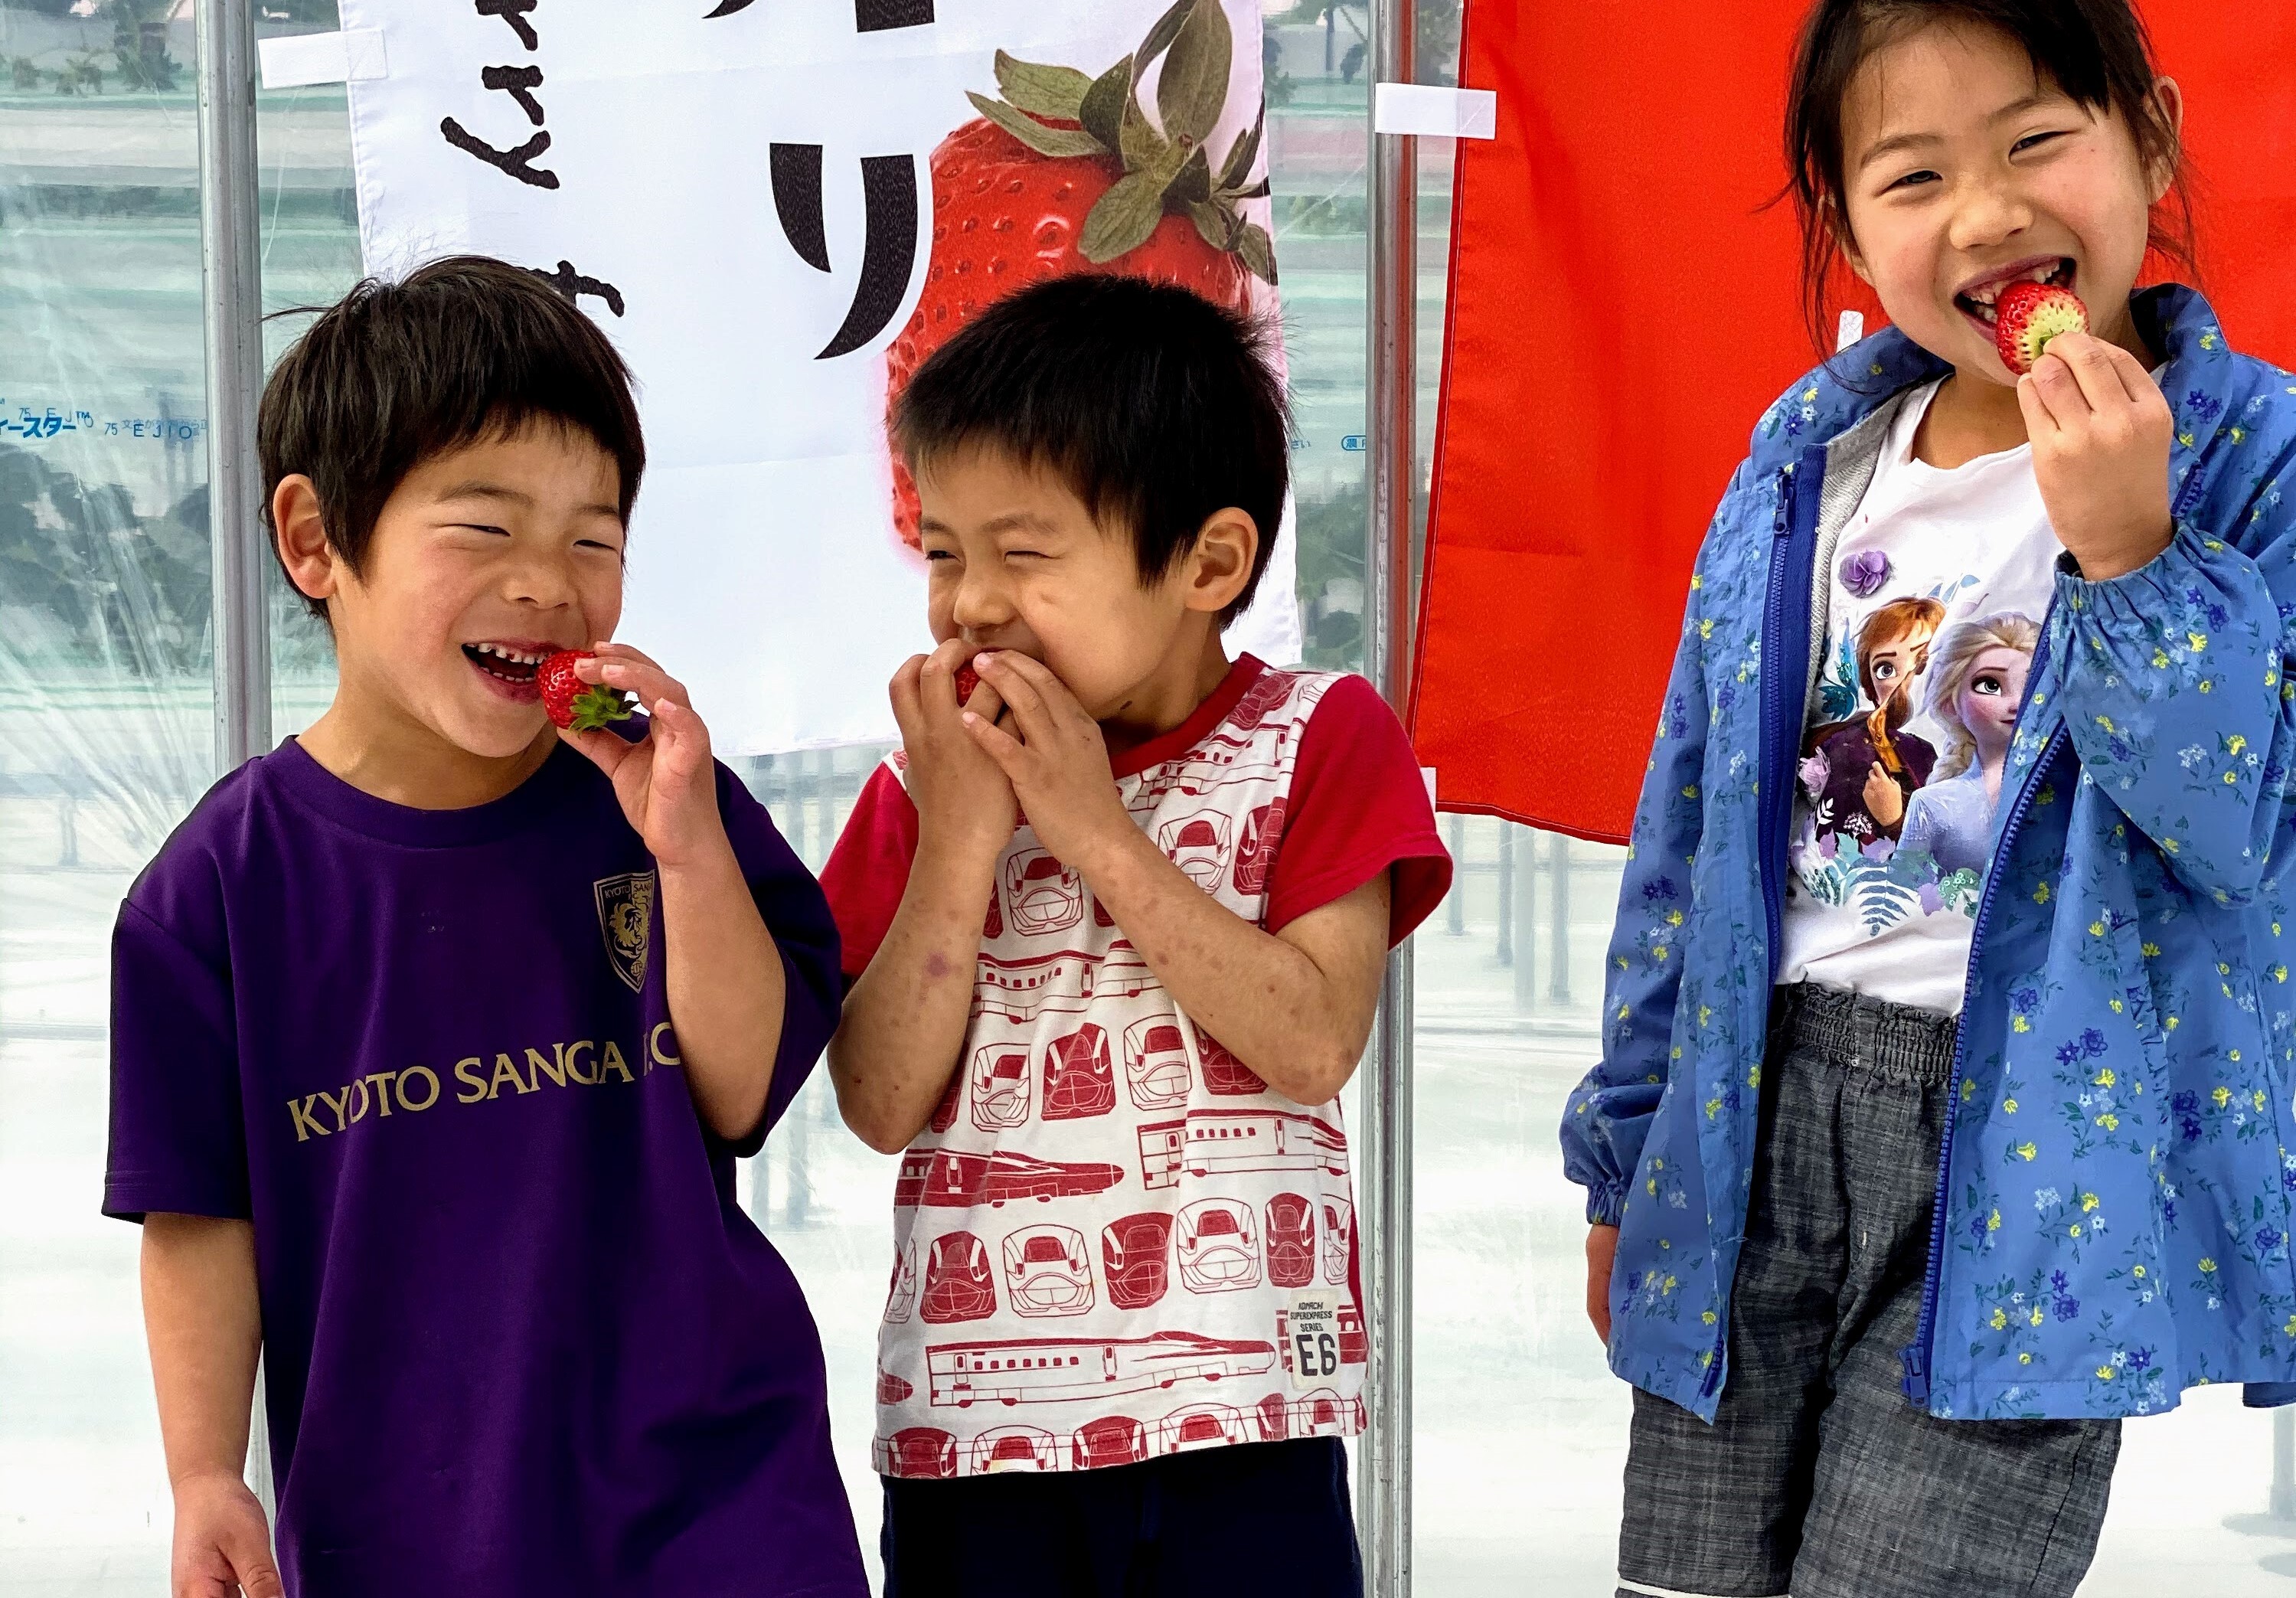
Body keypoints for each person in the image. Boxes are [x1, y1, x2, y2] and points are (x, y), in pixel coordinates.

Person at [1559, 1, 2296, 1593]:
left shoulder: (2249, 453)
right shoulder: (1802, 461)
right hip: (1746, 1119)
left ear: (2148, 136)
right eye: (1910, 176)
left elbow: (2232, 819)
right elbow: (1680, 834)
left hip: (2029, 1157)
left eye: (2034, 141)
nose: (1985, 214)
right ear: (1840, 223)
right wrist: (1626, 1152)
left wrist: (2129, 549)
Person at [104, 257, 867, 1598]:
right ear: (312, 541)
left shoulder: (660, 801)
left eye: (594, 537)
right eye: (484, 526)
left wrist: (682, 843)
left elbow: (742, 1090)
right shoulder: (215, 890)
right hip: (406, 1526)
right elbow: (196, 1216)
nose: (548, 584)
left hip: (722, 1506)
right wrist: (206, 1474)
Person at [818, 274, 1451, 1598]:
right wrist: (959, 838)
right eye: (941, 552)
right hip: (969, 1438)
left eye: (1024, 552)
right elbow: (876, 1102)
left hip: (1242, 1431)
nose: (969, 604)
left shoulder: (1319, 735)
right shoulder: (919, 782)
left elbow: (1309, 1036)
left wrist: (1092, 829)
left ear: (1205, 565)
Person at [1899, 612, 2041, 875]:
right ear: (1950, 706)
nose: (2015, 703)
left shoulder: (2076, 791)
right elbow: (1900, 898)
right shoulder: (1933, 804)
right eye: (1989, 685)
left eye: (2032, 685)